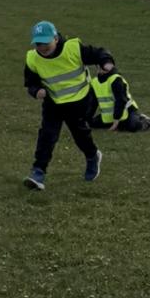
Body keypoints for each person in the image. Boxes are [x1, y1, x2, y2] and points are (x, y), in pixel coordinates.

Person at [23, 19, 114, 189]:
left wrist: (106, 63)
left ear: (56, 38)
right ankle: (38, 172)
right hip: (53, 103)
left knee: (80, 134)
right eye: (38, 44)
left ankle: (92, 156)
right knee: (47, 136)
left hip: (79, 102)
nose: (42, 47)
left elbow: (98, 53)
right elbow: (31, 82)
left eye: (46, 42)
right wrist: (36, 91)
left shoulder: (73, 48)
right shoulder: (32, 58)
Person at [90, 67, 150, 133]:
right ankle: (120, 124)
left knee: (133, 126)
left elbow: (121, 101)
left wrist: (115, 122)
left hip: (128, 111)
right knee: (91, 123)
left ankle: (144, 121)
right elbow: (92, 103)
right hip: (110, 115)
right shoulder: (95, 81)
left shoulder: (116, 79)